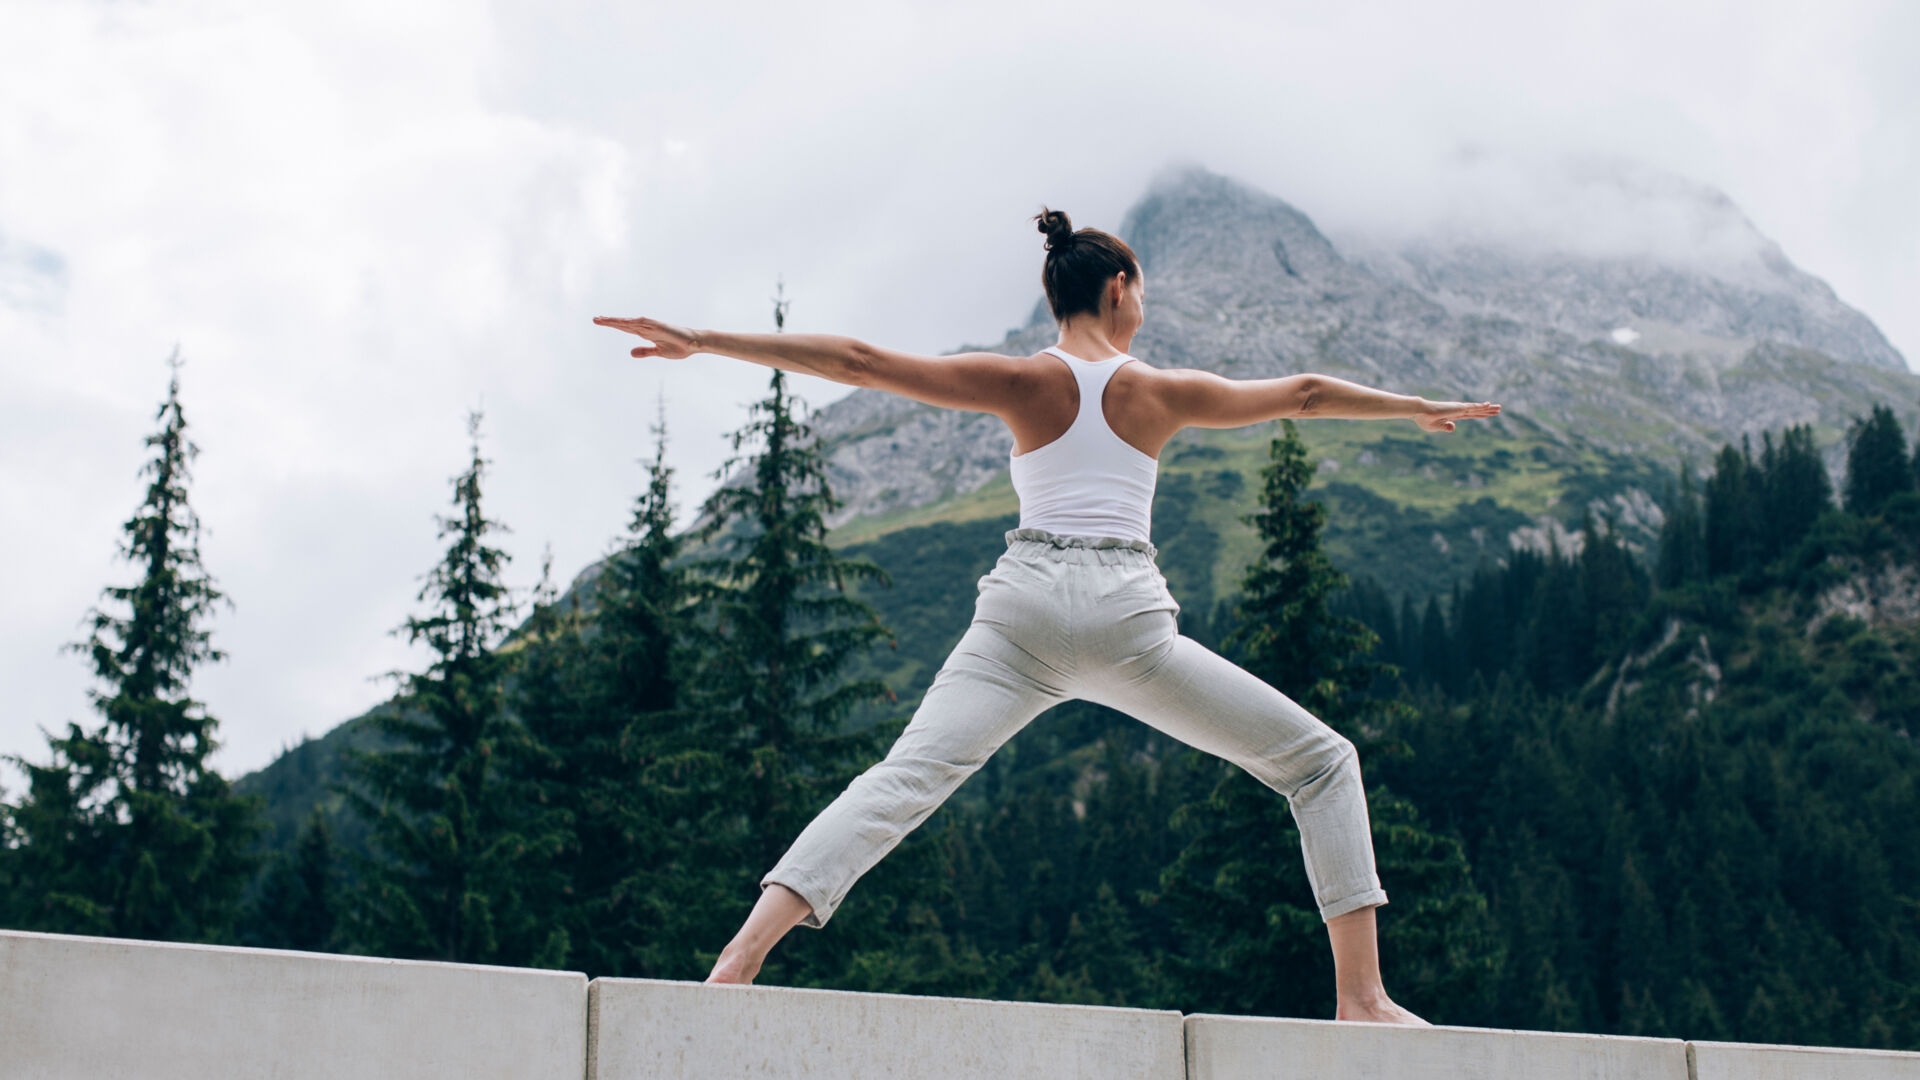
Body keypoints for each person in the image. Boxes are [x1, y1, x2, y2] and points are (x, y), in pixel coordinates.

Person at [593, 207, 1500, 1024]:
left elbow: (862, 363)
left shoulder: (1020, 381)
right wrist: (1415, 408)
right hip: (1126, 621)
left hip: (1019, 613)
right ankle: (1362, 1001)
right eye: (1141, 288)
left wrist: (703, 339)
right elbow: (1302, 392)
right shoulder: (1161, 390)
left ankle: (737, 962)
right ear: (1118, 288)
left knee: (902, 782)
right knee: (1319, 762)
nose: (1144, 303)